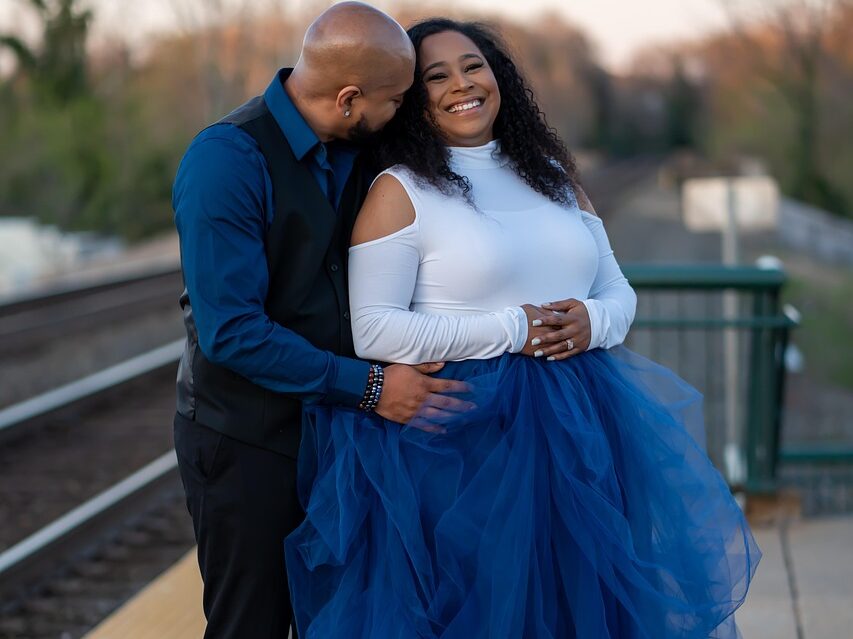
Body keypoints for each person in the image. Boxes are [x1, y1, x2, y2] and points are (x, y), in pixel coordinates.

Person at [285, 18, 761, 639]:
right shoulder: (400, 190)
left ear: (499, 74)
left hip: (582, 426)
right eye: (436, 76)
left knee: (577, 606)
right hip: (462, 441)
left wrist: (592, 321)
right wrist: (513, 329)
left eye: (473, 65)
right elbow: (372, 330)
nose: (462, 84)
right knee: (489, 611)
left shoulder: (552, 176)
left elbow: (617, 291)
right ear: (411, 97)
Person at [171, 4, 482, 637]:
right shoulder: (225, 161)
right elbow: (231, 331)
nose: (404, 113)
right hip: (247, 441)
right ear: (348, 98)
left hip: (344, 435)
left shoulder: (362, 146)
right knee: (251, 624)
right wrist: (370, 387)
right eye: (396, 100)